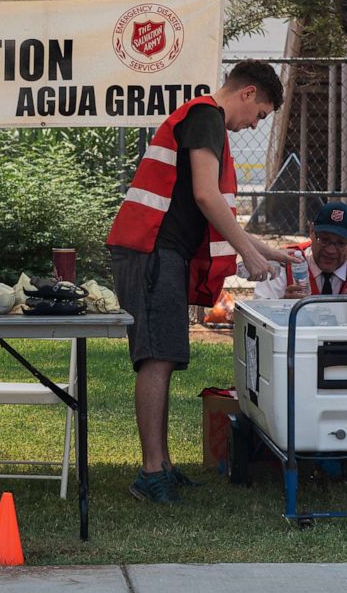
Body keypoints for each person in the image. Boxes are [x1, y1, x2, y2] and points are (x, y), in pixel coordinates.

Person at [106, 60, 294, 504]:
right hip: (151, 249)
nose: (253, 126)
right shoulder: (206, 115)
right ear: (247, 93)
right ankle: (151, 473)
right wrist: (248, 255)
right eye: (260, 115)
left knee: (165, 356)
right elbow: (207, 196)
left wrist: (266, 249)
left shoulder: (201, 117)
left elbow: (211, 204)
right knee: (156, 357)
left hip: (156, 250)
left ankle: (163, 466)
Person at [254, 202, 347, 299]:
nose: (331, 250)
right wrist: (284, 306)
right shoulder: (284, 262)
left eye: (341, 243)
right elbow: (259, 313)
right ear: (311, 231)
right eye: (324, 239)